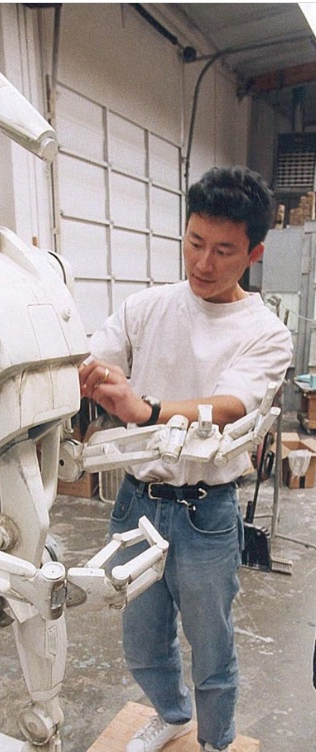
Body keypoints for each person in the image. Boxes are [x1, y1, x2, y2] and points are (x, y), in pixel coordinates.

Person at [79, 166, 293, 752]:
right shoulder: (146, 307)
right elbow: (94, 360)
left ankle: (215, 741)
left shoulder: (265, 332)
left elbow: (230, 405)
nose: (203, 262)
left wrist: (145, 409)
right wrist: (87, 376)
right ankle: (172, 715)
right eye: (195, 242)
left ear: (253, 253)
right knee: (142, 639)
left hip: (206, 512)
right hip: (136, 503)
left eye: (223, 251)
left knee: (211, 646)